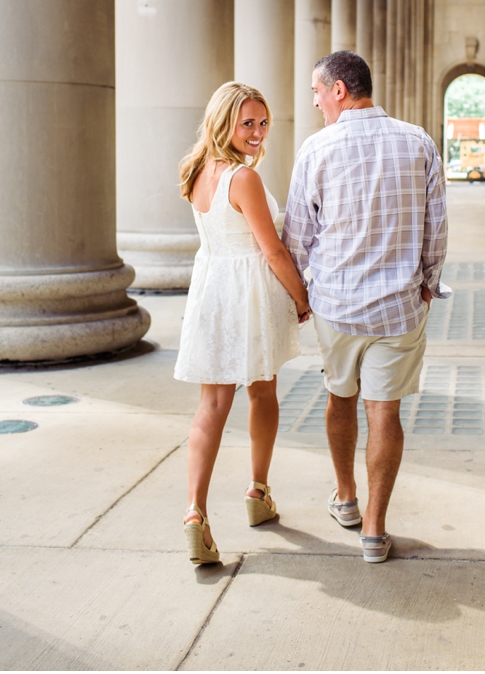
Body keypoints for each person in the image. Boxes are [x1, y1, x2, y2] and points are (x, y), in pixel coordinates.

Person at [283, 50, 450, 564]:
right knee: (386, 412)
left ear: (339, 89)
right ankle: (375, 531)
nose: (315, 101)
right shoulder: (418, 140)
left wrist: (302, 294)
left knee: (340, 398)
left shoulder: (317, 149)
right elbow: (437, 227)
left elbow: (297, 236)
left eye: (317, 91)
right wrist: (428, 282)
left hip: (336, 306)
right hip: (399, 307)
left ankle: (347, 499)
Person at [174, 82, 311, 566]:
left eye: (262, 122)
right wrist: (301, 296)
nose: (257, 132)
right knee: (262, 393)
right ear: (224, 122)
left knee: (210, 405)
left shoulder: (196, 172)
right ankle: (258, 492)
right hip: (249, 294)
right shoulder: (242, 179)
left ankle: (196, 513)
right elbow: (271, 249)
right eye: (246, 122)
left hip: (212, 290)